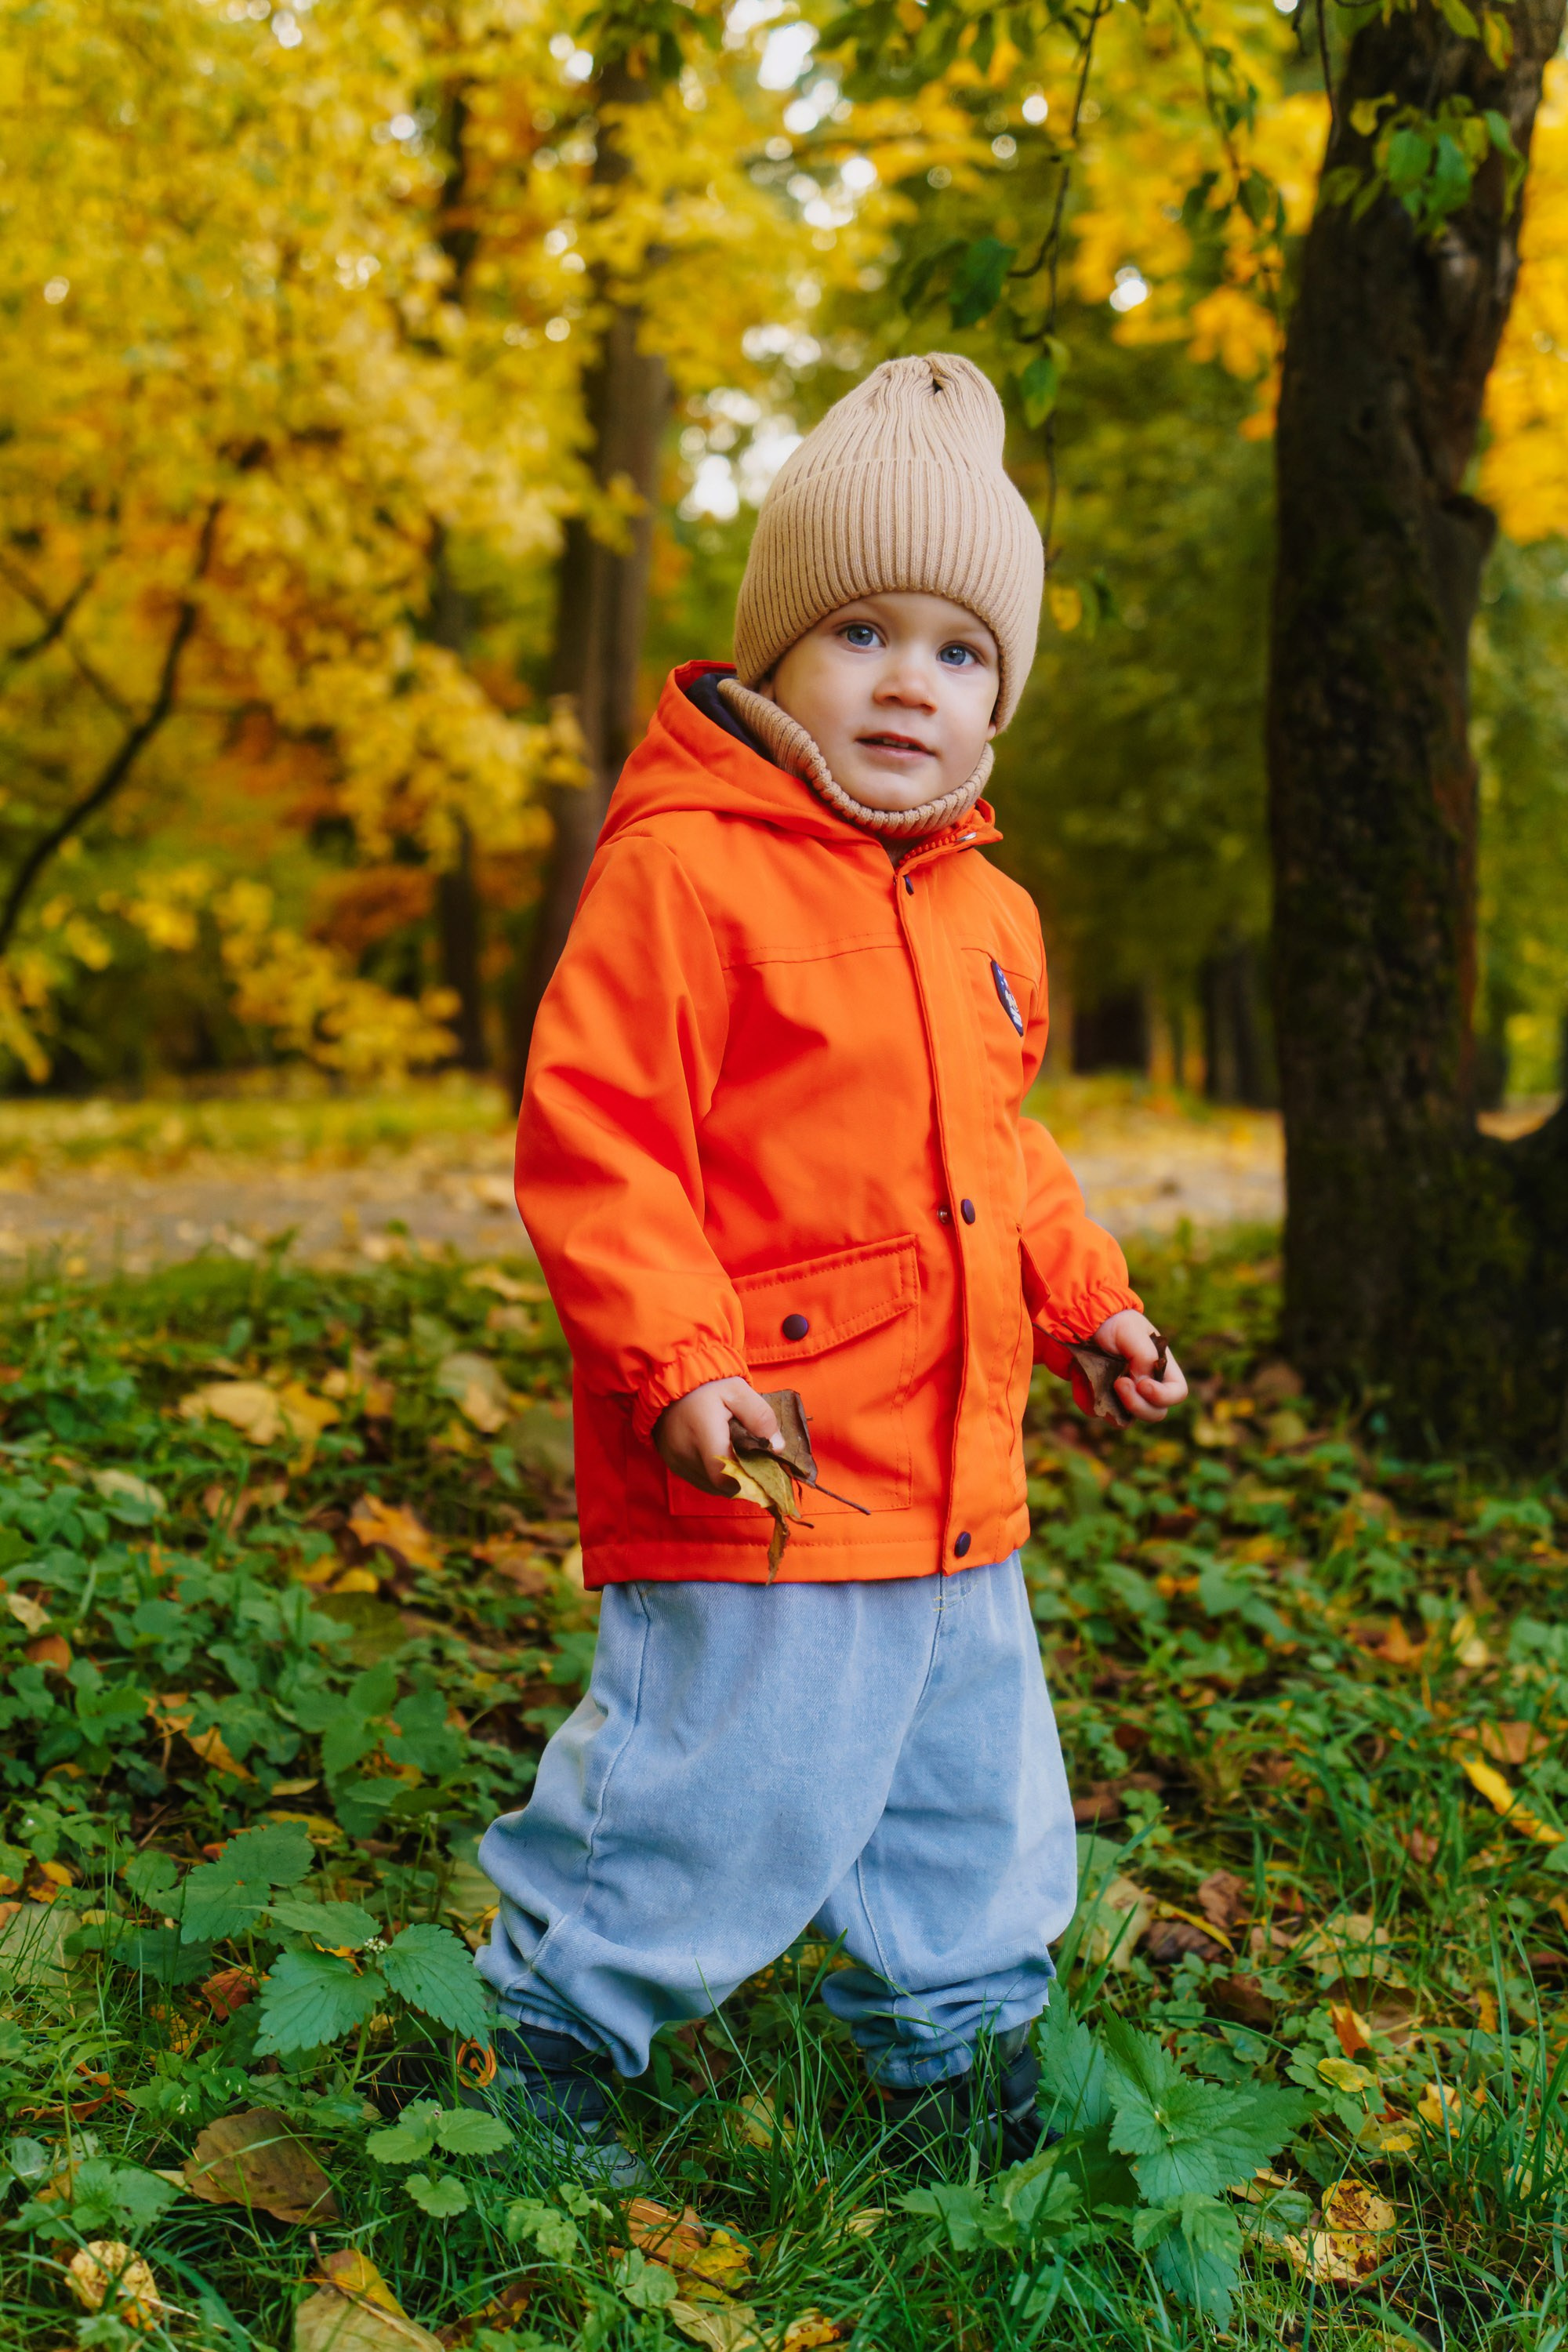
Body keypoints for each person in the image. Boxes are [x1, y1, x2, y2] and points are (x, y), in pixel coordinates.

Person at [475, 353, 1187, 2180]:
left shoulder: (987, 910)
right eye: (860, 632)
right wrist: (681, 1361)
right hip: (764, 1457)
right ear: (775, 655)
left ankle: (957, 2037)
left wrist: (1088, 1299)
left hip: (959, 1478)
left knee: (973, 1783)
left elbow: (1002, 1153)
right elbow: (601, 1137)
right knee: (719, 1774)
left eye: (957, 651)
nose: (906, 682)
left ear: (999, 698)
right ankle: (552, 2022)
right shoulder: (686, 876)